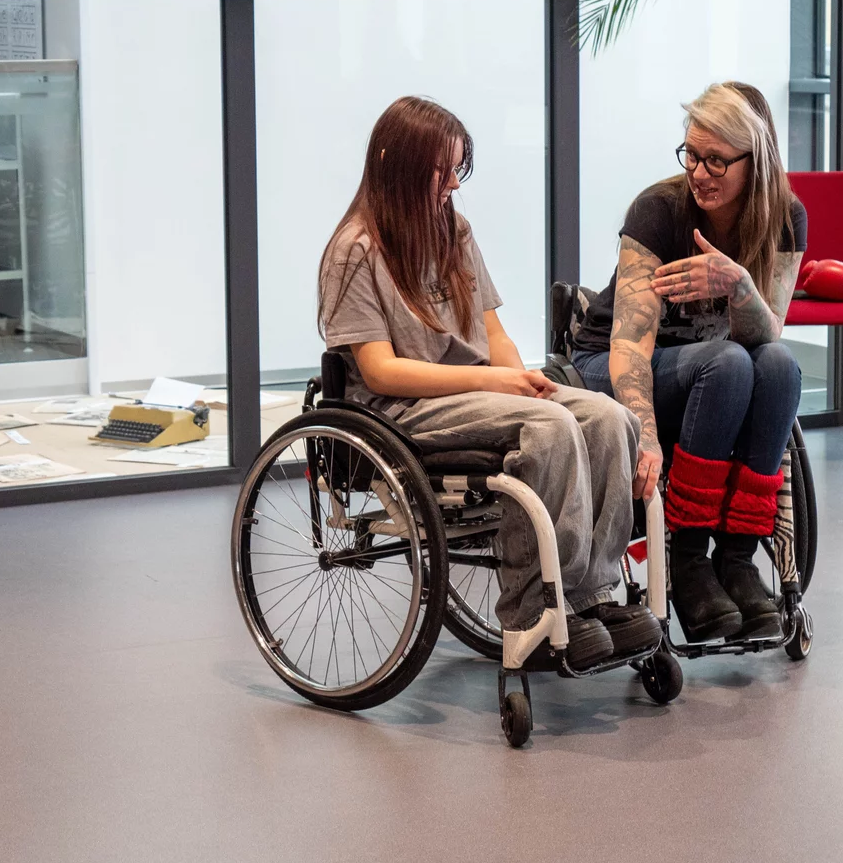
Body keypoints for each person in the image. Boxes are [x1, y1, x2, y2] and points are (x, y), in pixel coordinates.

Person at [318, 96, 661, 671]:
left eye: (458, 169)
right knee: (549, 428)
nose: (454, 183)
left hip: (475, 392)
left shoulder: (453, 229)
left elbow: (493, 331)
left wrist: (520, 377)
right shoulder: (354, 251)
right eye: (441, 171)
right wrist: (496, 381)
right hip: (402, 409)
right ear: (393, 163)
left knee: (608, 417)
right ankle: (535, 611)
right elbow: (380, 370)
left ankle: (591, 596)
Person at [571, 82, 806, 643]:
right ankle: (689, 560)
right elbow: (630, 347)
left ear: (755, 161)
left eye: (716, 160)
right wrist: (646, 435)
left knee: (778, 365)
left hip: (716, 371)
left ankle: (737, 559)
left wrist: (740, 286)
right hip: (606, 364)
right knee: (728, 363)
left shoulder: (785, 216)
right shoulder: (657, 210)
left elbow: (768, 332)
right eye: (691, 155)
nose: (700, 173)